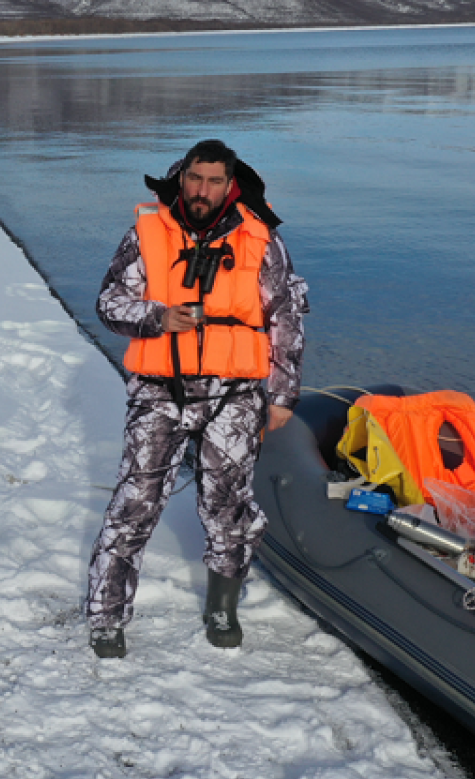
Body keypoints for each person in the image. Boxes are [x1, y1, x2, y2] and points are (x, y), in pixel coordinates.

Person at [86, 139, 309, 659]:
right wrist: (156, 317)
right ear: (181, 177)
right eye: (194, 179)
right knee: (135, 503)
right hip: (160, 391)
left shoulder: (261, 238)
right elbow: (109, 302)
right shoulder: (146, 231)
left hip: (235, 394)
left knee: (227, 505)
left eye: (213, 181)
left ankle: (222, 607)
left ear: (229, 184)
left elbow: (286, 320)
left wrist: (282, 395)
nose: (202, 190)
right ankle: (106, 615)